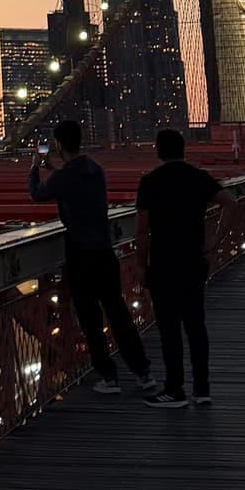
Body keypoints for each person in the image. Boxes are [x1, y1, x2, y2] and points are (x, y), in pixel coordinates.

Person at [28, 119, 154, 394]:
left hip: (79, 253)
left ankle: (109, 378)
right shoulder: (96, 169)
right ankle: (143, 372)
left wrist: (35, 169)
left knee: (90, 317)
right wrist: (54, 169)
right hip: (104, 250)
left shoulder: (62, 177)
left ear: (59, 145)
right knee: (118, 312)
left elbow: (38, 194)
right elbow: (74, 180)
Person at [135, 126, 226, 407]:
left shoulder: (150, 182)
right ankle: (202, 389)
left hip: (163, 264)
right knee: (196, 325)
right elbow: (232, 203)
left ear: (158, 151)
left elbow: (141, 231)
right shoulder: (199, 178)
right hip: (194, 262)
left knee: (169, 329)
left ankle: (174, 390)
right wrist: (214, 240)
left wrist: (140, 265)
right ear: (183, 149)